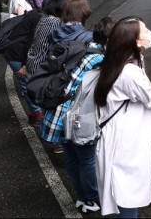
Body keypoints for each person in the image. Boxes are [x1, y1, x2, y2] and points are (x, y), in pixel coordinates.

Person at [94, 17, 151, 218]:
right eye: (145, 30)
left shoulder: (119, 59)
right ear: (133, 41)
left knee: (124, 191)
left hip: (121, 137)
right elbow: (150, 97)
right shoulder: (129, 71)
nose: (149, 33)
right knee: (126, 195)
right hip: (124, 142)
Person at [40, 16, 116, 214]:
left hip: (58, 112)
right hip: (77, 118)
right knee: (87, 159)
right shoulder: (100, 60)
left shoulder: (84, 48)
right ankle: (91, 199)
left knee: (72, 158)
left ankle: (82, 198)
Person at [3, 9, 44, 128]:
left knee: (27, 84)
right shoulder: (40, 19)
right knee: (27, 84)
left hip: (13, 51)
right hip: (17, 55)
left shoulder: (34, 13)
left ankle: (35, 113)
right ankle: (37, 114)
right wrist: (26, 65)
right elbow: (31, 42)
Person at [26, 0, 73, 76]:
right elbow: (52, 47)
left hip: (35, 65)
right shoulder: (53, 21)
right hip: (40, 69)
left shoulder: (48, 17)